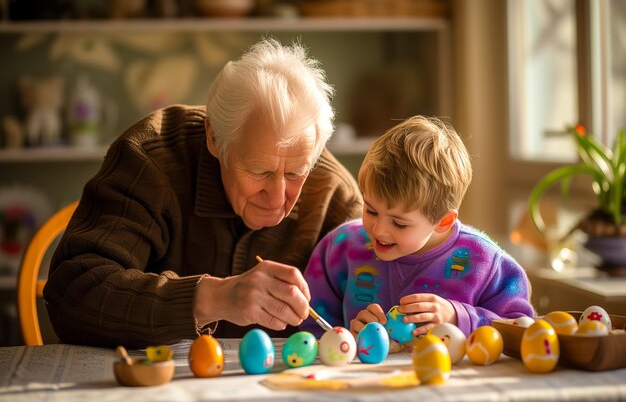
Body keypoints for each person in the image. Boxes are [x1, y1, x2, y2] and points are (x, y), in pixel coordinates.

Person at [44, 38, 363, 348]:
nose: (278, 198)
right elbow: (73, 292)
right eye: (259, 171)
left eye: (295, 173)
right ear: (214, 137)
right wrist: (212, 298)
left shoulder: (335, 194)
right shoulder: (151, 159)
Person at [301, 116, 534, 340]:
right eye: (371, 210)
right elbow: (308, 330)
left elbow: (521, 329)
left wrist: (458, 318)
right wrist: (346, 337)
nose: (379, 231)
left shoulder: (486, 263)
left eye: (399, 223)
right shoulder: (341, 248)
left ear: (443, 221)